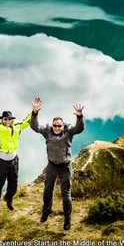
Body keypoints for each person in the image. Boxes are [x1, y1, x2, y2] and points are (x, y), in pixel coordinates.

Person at [30, 97, 84, 230]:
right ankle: (46, 212)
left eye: (59, 126)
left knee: (66, 194)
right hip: (52, 165)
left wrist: (79, 116)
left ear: (63, 125)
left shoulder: (69, 131)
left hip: (65, 166)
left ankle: (67, 218)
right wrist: (35, 113)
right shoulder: (47, 131)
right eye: (55, 125)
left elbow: (80, 128)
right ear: (52, 125)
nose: (57, 128)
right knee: (47, 191)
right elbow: (35, 126)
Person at [0, 95, 33, 216]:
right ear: (2, 119)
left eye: (9, 119)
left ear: (12, 119)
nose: (7, 121)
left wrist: (34, 111)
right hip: (1, 161)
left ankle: (9, 198)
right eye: (5, 119)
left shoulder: (17, 126)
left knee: (13, 183)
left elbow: (27, 121)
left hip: (14, 160)